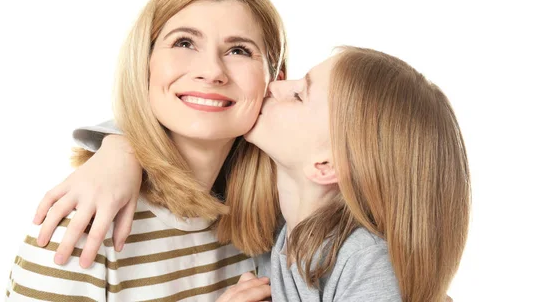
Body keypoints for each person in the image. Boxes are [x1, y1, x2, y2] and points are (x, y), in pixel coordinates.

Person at [36, 47, 471, 301]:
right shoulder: (276, 215)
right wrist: (120, 150)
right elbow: (186, 129)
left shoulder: (365, 261)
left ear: (327, 166)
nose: (276, 85)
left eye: (299, 95)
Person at [5, 0, 287, 301]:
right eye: (185, 43)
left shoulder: (274, 220)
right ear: (145, 63)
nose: (211, 72)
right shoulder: (85, 223)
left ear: (275, 82)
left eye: (239, 50)